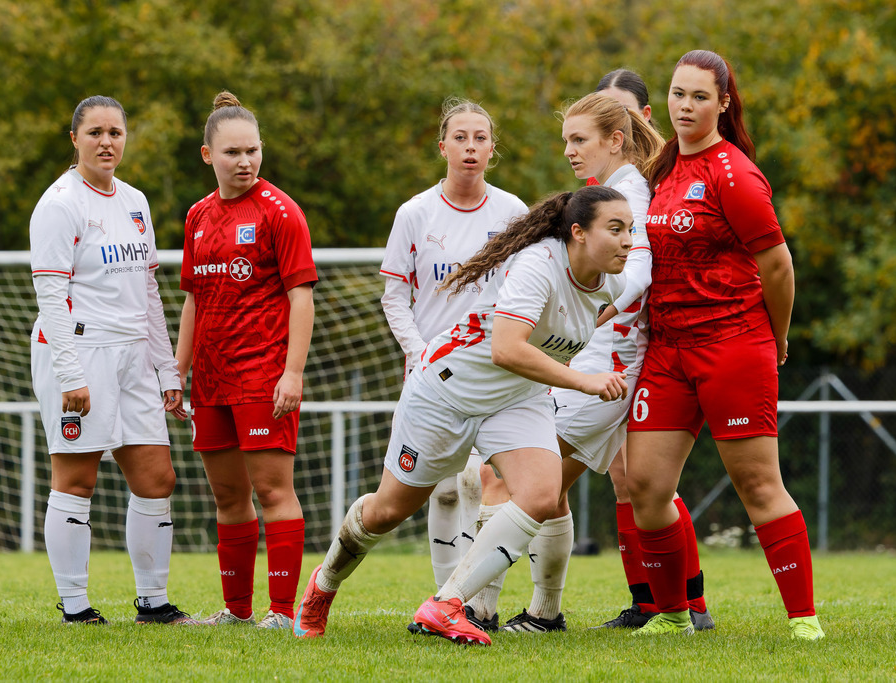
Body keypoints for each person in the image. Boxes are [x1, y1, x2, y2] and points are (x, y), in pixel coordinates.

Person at [295, 185, 635, 646]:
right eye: (615, 229)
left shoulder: (613, 280)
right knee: (388, 511)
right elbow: (505, 349)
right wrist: (584, 381)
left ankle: (446, 604)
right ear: (577, 233)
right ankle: (323, 584)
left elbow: (576, 323)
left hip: (517, 400)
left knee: (540, 493)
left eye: (630, 229)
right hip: (447, 392)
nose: (628, 240)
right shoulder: (539, 264)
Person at [500, 72, 713, 634]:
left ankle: (471, 607)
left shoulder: (630, 193)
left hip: (610, 364)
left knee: (528, 484)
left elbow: (637, 268)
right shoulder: (617, 188)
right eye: (567, 139)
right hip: (603, 361)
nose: (569, 150)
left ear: (621, 131)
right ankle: (668, 605)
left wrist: (604, 299)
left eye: (579, 137)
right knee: (629, 484)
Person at [626, 50, 824, 640]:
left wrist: (777, 335)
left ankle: (803, 619)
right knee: (645, 485)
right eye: (677, 94)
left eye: (699, 97)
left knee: (758, 485)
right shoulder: (663, 168)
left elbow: (778, 265)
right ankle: (672, 613)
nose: (684, 106)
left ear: (724, 103)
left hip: (733, 343)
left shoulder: (732, 173)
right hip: (667, 350)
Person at [29, 95, 196, 625]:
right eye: (95, 132)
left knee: (157, 478)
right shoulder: (59, 204)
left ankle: (153, 602)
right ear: (73, 138)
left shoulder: (136, 201)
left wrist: (166, 368)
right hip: (80, 350)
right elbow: (51, 297)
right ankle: (75, 606)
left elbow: (148, 291)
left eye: (115, 133)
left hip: (133, 357)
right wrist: (70, 372)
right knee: (76, 480)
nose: (106, 142)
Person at [378, 97, 528, 630]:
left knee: (490, 485)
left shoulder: (513, 212)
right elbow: (394, 295)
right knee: (443, 486)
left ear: (493, 149)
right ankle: (445, 601)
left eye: (481, 138)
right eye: (460, 137)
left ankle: (480, 606)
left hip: (496, 373)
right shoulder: (415, 213)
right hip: (431, 375)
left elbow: (526, 292)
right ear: (442, 147)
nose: (470, 147)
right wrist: (420, 354)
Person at [175, 91, 317, 630]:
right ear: (208, 155)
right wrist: (178, 371)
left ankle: (283, 613)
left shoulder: (280, 212)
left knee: (273, 491)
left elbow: (301, 295)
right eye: (233, 152)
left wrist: (293, 372)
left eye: (253, 150)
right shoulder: (196, 216)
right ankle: (236, 612)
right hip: (211, 380)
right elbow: (192, 297)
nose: (246, 161)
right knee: (228, 496)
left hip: (263, 375)